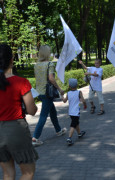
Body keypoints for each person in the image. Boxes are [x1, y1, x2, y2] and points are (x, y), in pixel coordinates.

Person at [0, 44, 38, 180]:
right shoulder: (21, 82)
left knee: (7, 174)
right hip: (16, 129)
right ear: (11, 60)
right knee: (28, 173)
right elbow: (32, 110)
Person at [32, 45, 66, 146]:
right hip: (48, 93)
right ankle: (35, 138)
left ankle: (58, 130)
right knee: (43, 116)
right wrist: (59, 89)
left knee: (53, 112)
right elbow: (51, 78)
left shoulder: (36, 65)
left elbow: (37, 78)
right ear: (47, 53)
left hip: (40, 93)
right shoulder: (49, 64)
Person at [62, 79, 87, 145]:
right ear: (77, 85)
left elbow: (64, 101)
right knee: (73, 124)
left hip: (70, 112)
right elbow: (83, 100)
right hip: (76, 112)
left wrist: (61, 95)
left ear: (69, 86)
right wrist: (85, 105)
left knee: (76, 123)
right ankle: (69, 138)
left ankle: (79, 133)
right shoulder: (79, 92)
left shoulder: (68, 93)